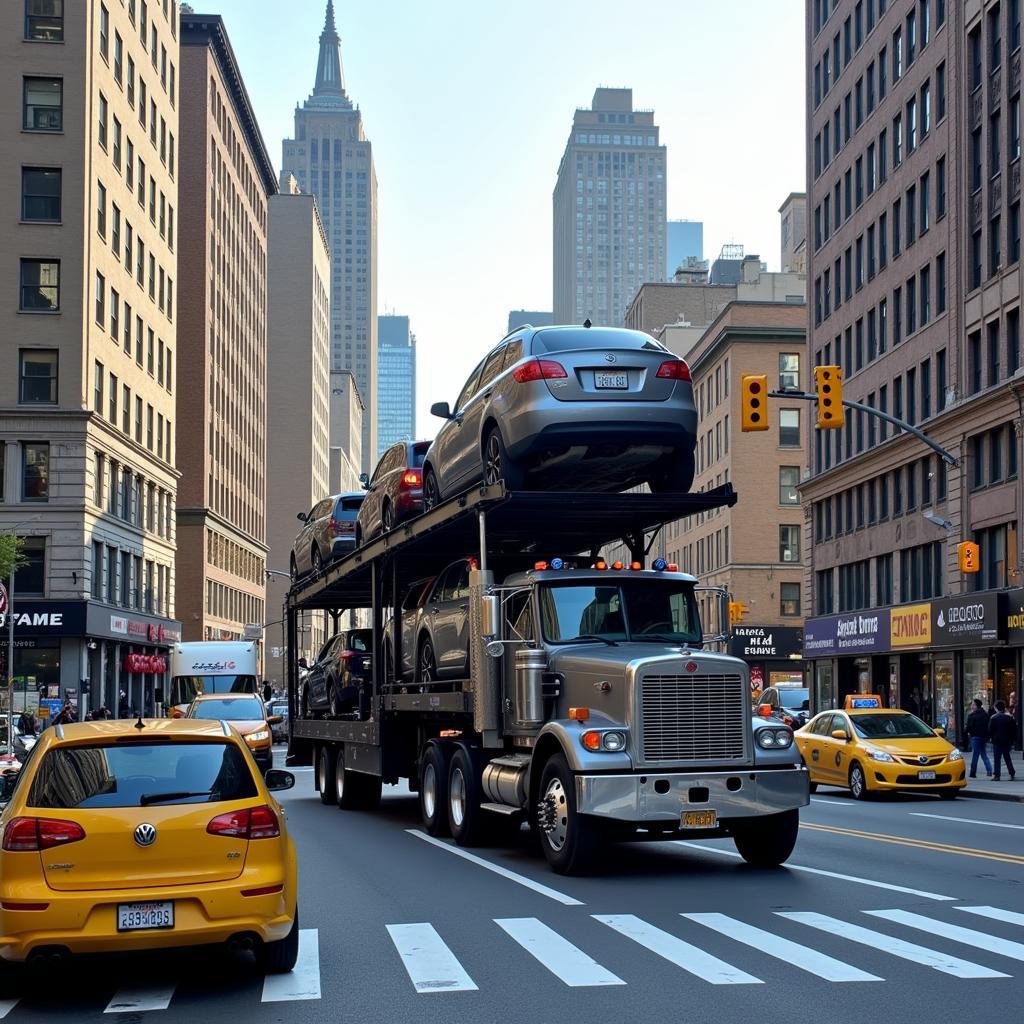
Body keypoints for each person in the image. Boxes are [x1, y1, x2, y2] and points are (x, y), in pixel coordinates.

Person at [989, 700, 1018, 781]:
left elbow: (990, 730)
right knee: (1007, 757)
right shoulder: (1009, 718)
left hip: (997, 741)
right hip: (1007, 740)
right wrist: (1013, 740)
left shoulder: (994, 718)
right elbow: (1014, 730)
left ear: (996, 708)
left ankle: (997, 775)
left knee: (997, 758)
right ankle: (1011, 772)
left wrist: (991, 738)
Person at [965, 699, 993, 779]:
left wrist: (967, 732)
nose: (971, 706)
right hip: (983, 737)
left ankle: (973, 772)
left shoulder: (972, 715)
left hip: (975, 737)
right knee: (983, 753)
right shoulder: (985, 715)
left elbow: (969, 727)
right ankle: (989, 770)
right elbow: (988, 726)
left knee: (975, 755)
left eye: (973, 705)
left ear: (976, 706)